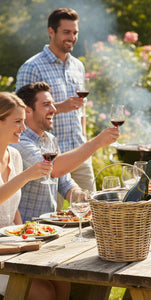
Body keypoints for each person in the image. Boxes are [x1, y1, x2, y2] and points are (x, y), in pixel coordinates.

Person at [16, 8, 93, 210]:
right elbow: (21, 110)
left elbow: (81, 110)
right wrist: (61, 107)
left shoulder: (78, 66)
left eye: (75, 32)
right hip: (48, 155)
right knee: (56, 216)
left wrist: (84, 138)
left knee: (90, 210)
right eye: (66, 32)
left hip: (79, 150)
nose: (72, 37)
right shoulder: (32, 67)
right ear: (52, 31)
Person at [13, 82, 119, 222]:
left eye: (52, 104)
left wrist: (81, 197)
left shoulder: (49, 140)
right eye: (46, 105)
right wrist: (96, 142)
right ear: (28, 111)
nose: (53, 109)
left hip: (48, 226)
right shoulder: (19, 142)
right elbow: (53, 169)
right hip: (25, 229)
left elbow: (64, 182)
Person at [0, 92, 70, 300]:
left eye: (24, 121)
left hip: (10, 245)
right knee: (44, 291)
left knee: (62, 275)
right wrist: (26, 176)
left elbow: (13, 209)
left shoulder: (14, 155)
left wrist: (24, 233)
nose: (23, 128)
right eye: (17, 122)